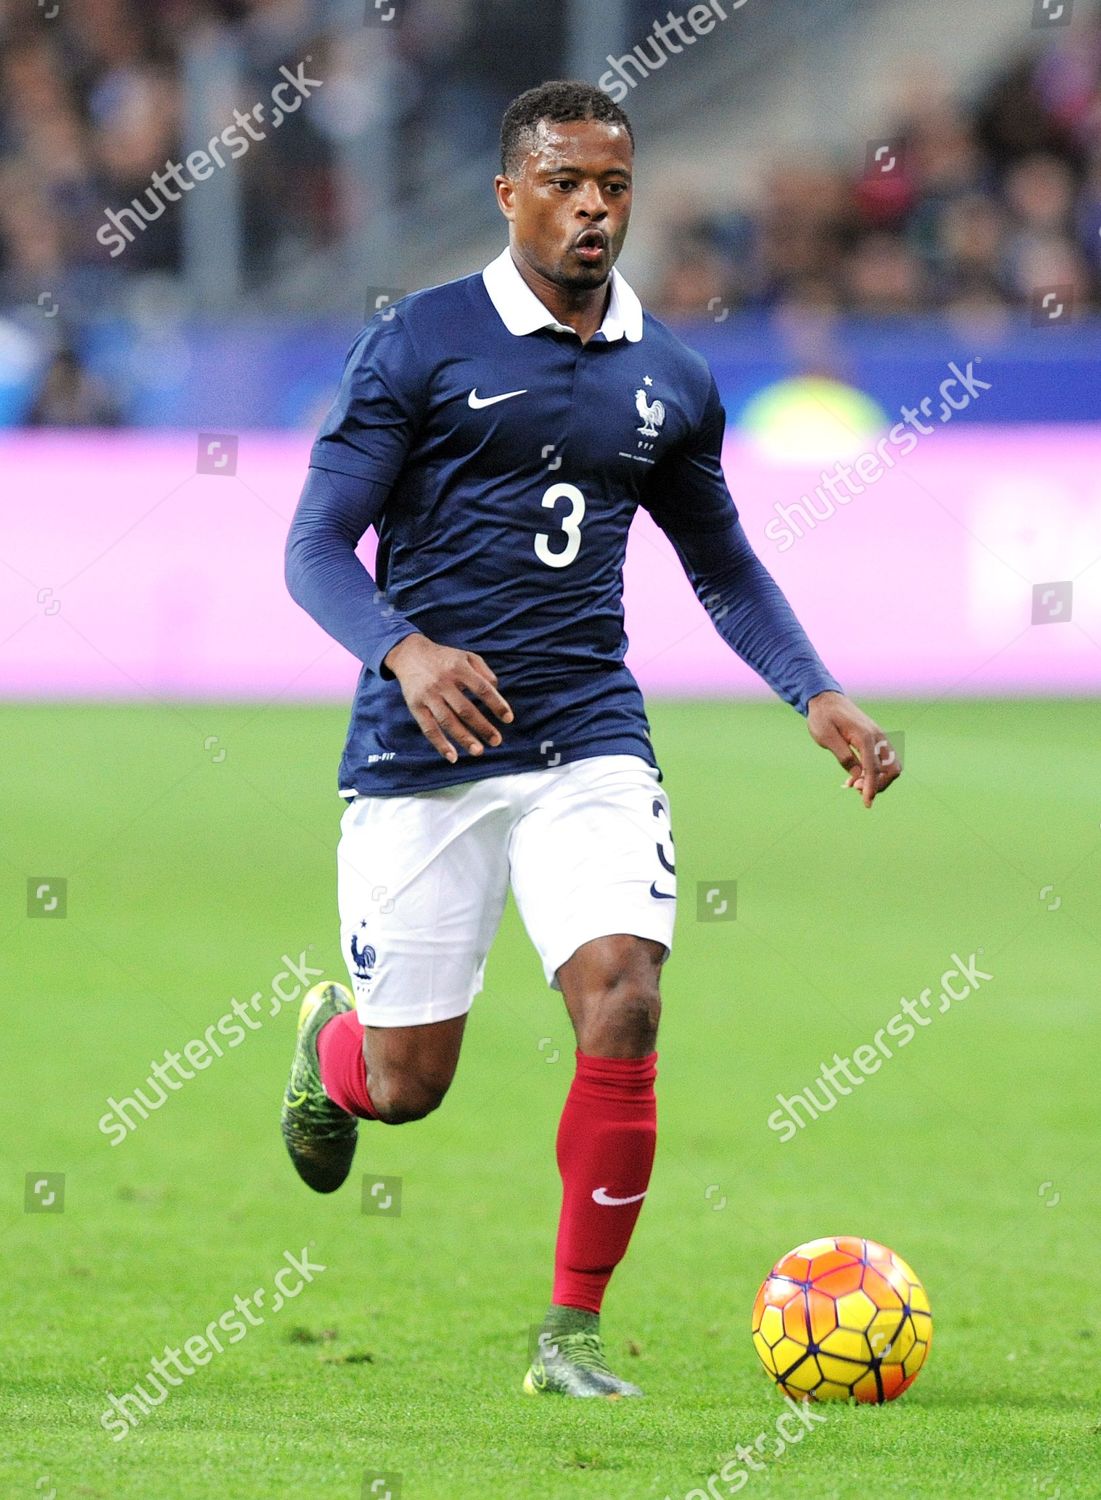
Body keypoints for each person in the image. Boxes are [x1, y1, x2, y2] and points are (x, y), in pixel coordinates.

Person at [281, 79, 901, 1400]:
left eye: (612, 185)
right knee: (408, 1085)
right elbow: (314, 546)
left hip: (585, 741)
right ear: (509, 193)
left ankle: (567, 1334)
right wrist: (405, 647)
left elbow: (722, 561)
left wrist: (814, 691)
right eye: (563, 183)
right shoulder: (421, 345)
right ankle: (332, 1053)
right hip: (419, 751)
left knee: (623, 995)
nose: (591, 209)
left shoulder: (667, 376)